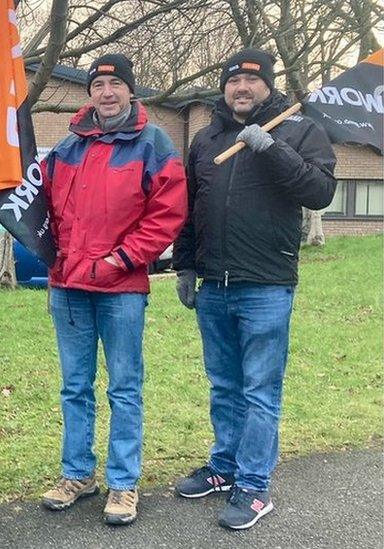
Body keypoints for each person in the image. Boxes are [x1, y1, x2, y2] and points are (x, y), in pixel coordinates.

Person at [172, 48, 336, 530]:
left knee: (261, 390)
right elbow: (191, 207)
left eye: (251, 80)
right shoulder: (205, 139)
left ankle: (255, 486)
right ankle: (224, 468)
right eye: (233, 81)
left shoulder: (300, 130)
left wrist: (271, 147)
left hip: (266, 284)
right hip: (214, 284)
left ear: (268, 85)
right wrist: (185, 266)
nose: (241, 88)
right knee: (224, 386)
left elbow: (319, 192)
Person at [39, 54, 187, 525]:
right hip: (69, 286)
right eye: (98, 84)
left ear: (130, 90)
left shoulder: (153, 144)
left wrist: (121, 260)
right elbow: (34, 200)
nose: (106, 92)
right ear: (90, 93)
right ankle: (78, 474)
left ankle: (123, 483)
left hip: (122, 288)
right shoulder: (67, 147)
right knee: (74, 387)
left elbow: (166, 215)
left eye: (115, 83)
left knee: (124, 388)